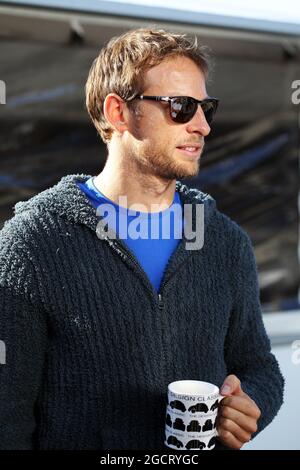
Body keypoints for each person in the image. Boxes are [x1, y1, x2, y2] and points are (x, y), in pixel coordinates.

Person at [0, 28, 284, 450]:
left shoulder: (224, 241)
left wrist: (250, 404)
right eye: (182, 107)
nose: (203, 126)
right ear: (118, 112)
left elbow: (259, 367)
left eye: (207, 108)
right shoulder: (32, 244)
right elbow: (8, 418)